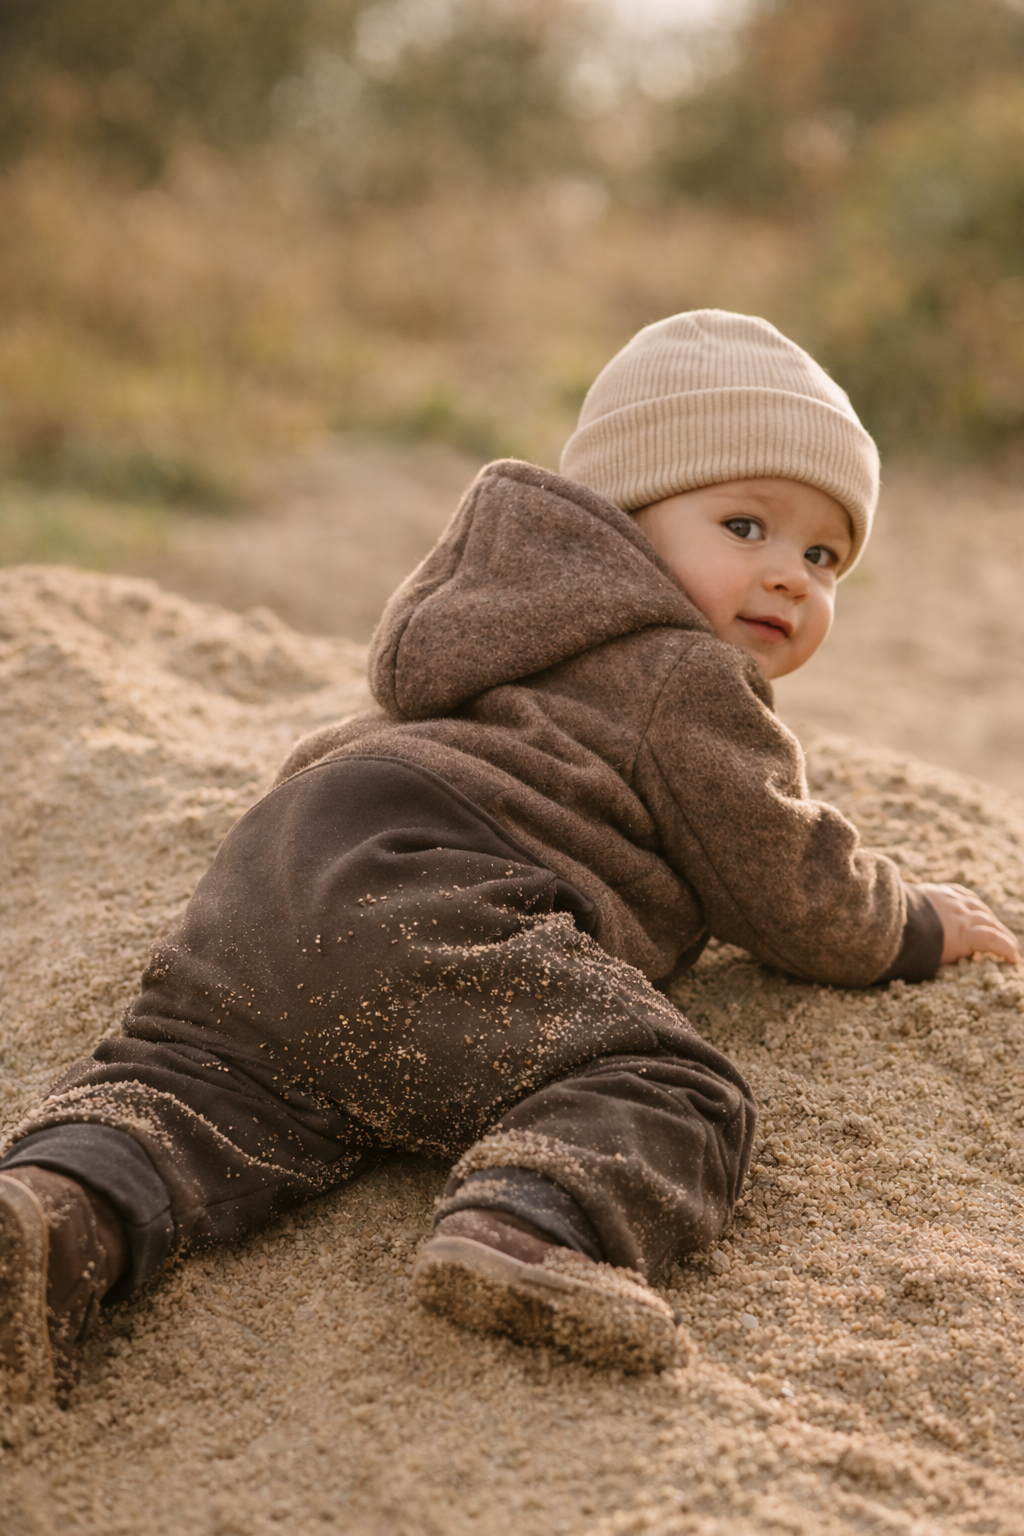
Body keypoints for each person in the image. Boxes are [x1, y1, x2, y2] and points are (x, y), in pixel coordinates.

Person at [1, 311, 1019, 1401]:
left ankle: (57, 1207)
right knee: (671, 1087)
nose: (788, 577)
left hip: (279, 871)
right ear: (622, 521)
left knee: (191, 1091)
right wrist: (911, 923)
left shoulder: (481, 623)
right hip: (440, 893)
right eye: (744, 525)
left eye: (823, 556)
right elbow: (786, 877)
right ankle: (529, 1223)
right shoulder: (682, 672)